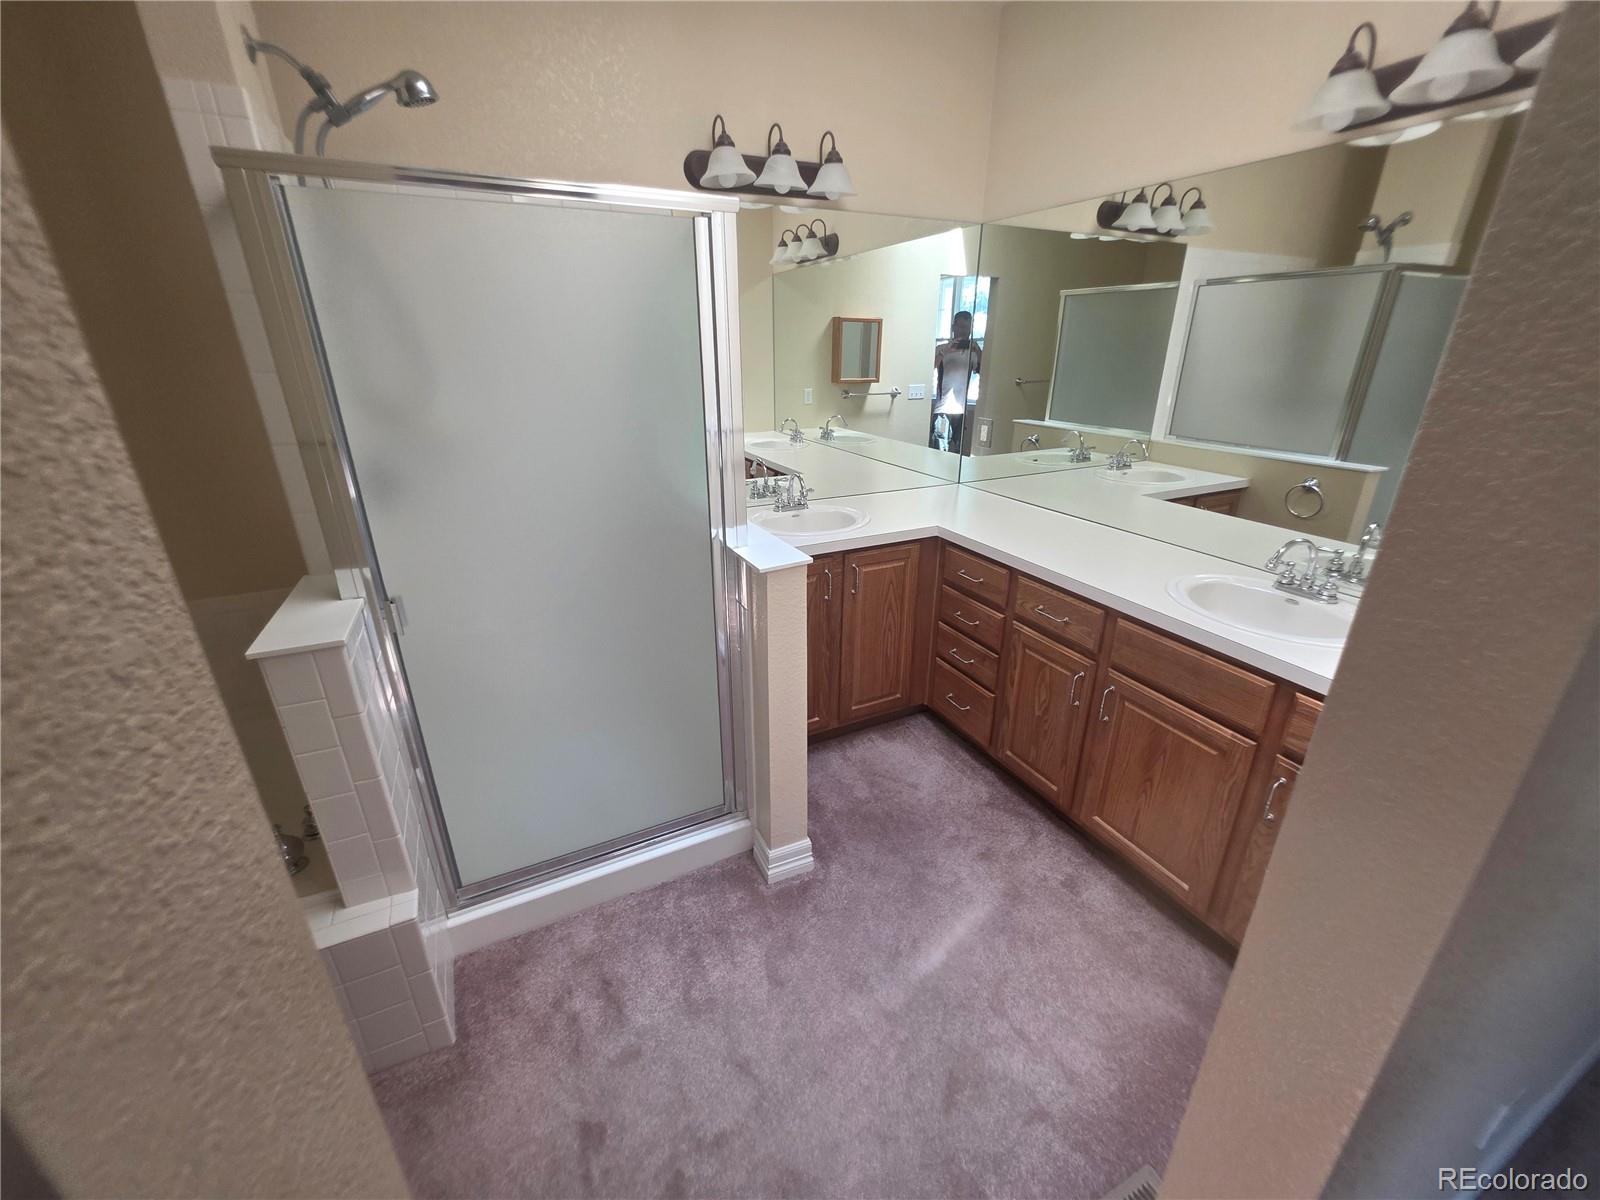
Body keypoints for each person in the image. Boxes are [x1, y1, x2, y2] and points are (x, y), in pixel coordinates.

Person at [930, 310, 981, 453]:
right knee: (939, 453)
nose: (962, 331)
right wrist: (945, 351)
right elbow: (929, 369)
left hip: (962, 411)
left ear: (970, 329)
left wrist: (977, 349)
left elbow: (985, 371)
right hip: (942, 410)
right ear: (953, 327)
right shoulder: (941, 349)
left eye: (966, 328)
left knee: (958, 454)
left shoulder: (973, 352)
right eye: (959, 327)